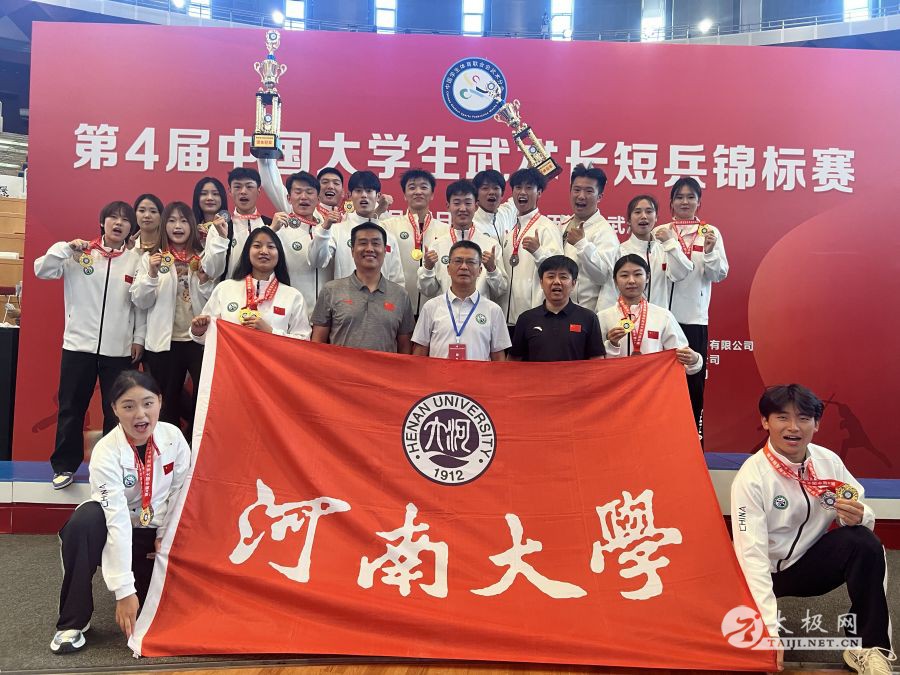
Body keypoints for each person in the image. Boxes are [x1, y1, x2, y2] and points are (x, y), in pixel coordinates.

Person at [731, 385, 894, 675]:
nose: (793, 427)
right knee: (728, 640)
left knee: (865, 543)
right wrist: (768, 630)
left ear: (816, 424)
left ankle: (867, 648)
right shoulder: (752, 478)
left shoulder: (828, 462)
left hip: (807, 566)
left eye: (804, 418)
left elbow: (857, 502)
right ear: (765, 422)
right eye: (782, 417)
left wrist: (857, 515)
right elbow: (751, 555)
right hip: (760, 573)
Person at [49, 370, 190, 654]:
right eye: (128, 406)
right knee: (86, 520)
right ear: (114, 409)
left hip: (153, 534)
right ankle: (72, 622)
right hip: (114, 531)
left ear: (160, 401)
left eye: (148, 403)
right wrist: (124, 590)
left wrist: (166, 538)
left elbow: (180, 493)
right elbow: (116, 519)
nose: (140, 414)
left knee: (162, 616)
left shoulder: (173, 437)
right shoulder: (106, 451)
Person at [34, 201, 146, 489]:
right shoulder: (80, 253)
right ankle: (64, 466)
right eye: (113, 218)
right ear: (102, 222)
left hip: (118, 350)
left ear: (131, 228)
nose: (118, 223)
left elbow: (139, 305)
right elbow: (42, 270)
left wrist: (138, 339)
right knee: (71, 408)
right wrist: (65, 248)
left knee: (116, 411)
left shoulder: (135, 260)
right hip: (78, 346)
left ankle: (111, 467)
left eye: (125, 220)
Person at [652, 177, 728, 436]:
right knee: (660, 386)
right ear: (671, 202)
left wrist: (709, 252)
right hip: (661, 320)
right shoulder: (660, 232)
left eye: (690, 197)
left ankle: (693, 442)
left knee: (692, 384)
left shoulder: (710, 232)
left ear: (699, 202)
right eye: (679, 197)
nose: (685, 202)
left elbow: (719, 274)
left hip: (694, 321)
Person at [132, 201, 212, 433]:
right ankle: (168, 447)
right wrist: (152, 274)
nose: (178, 226)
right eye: (172, 221)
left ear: (192, 226)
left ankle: (193, 445)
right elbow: (140, 301)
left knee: (203, 399)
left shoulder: (203, 257)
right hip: (164, 342)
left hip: (198, 340)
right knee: (166, 401)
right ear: (164, 226)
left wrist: (205, 281)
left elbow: (214, 300)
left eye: (184, 221)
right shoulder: (152, 258)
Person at [191, 227, 311, 342]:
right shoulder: (225, 288)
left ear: (279, 254)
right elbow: (208, 334)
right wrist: (199, 332)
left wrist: (271, 332)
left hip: (270, 357)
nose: (264, 251)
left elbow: (303, 341)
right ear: (247, 252)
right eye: (257, 246)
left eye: (271, 246)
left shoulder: (293, 296)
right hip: (231, 357)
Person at [311, 221, 415, 354]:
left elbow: (405, 347)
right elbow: (317, 343)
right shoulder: (331, 290)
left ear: (385, 251)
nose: (369, 249)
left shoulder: (400, 295)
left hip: (383, 368)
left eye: (376, 243)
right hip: (341, 368)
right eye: (363, 243)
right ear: (352, 251)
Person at [598, 255, 701, 373]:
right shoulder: (602, 317)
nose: (631, 281)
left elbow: (684, 362)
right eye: (624, 275)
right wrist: (612, 344)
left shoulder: (663, 316)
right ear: (615, 281)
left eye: (637, 274)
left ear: (647, 277)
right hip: (617, 382)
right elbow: (595, 363)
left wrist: (695, 360)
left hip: (654, 383)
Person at [412, 241, 509, 361]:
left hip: (478, 374)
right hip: (439, 373)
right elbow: (419, 353)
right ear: (448, 269)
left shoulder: (493, 310)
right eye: (458, 261)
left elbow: (499, 358)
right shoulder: (431, 307)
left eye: (471, 262)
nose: (464, 267)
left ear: (480, 270)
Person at [418, 180, 507, 303]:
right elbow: (427, 291)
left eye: (468, 203)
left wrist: (492, 270)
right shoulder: (436, 246)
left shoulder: (491, 245)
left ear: (476, 206)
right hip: (445, 312)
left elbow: (501, 290)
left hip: (480, 312)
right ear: (448, 206)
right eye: (457, 203)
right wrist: (427, 269)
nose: (462, 208)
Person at [497, 168, 563, 332]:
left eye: (528, 187)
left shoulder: (547, 227)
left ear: (539, 192)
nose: (522, 192)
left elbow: (558, 270)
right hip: (507, 320)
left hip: (535, 319)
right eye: (518, 187)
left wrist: (538, 251)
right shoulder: (511, 233)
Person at [509, 255, 605, 361]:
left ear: (573, 284)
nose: (557, 282)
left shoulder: (589, 318)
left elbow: (597, 360)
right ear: (541, 282)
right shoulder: (526, 319)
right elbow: (514, 361)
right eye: (551, 276)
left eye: (563, 277)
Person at [266, 171, 335, 315]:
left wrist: (324, 229)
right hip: (289, 311)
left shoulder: (330, 229)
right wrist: (271, 231)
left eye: (309, 192)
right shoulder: (279, 230)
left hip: (325, 315)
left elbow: (318, 261)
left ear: (318, 198)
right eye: (298, 192)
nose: (304, 197)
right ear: (289, 198)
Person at [382, 169, 448, 315]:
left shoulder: (446, 230)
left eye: (424, 187)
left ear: (432, 194)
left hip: (434, 309)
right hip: (397, 307)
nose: (418, 192)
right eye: (412, 187)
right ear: (405, 195)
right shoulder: (389, 226)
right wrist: (378, 210)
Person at [323, 170, 405, 286]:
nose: (364, 195)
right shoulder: (336, 231)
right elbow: (320, 261)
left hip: (382, 297)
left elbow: (397, 280)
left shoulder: (389, 237)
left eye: (369, 191)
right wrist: (324, 229)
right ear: (350, 196)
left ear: (378, 196)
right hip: (345, 296)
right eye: (358, 191)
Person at [560, 164, 619, 313]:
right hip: (558, 309)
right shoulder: (563, 225)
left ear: (599, 196)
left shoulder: (605, 232)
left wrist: (582, 245)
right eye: (577, 190)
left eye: (589, 191)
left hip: (586, 314)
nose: (581, 196)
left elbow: (603, 276)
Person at [617, 195, 691, 308]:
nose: (643, 216)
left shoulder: (666, 249)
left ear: (656, 218)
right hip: (626, 317)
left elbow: (681, 274)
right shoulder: (619, 252)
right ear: (629, 220)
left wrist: (670, 243)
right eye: (637, 212)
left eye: (649, 211)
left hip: (659, 316)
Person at [201, 167, 272, 282]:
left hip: (266, 290)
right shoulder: (220, 226)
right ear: (230, 191)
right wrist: (221, 238)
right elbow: (212, 271)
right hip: (231, 291)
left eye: (249, 186)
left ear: (259, 190)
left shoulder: (271, 225)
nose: (243, 191)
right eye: (237, 187)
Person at [472, 169, 516, 244]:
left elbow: (521, 196)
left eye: (496, 188)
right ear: (476, 194)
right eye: (485, 188)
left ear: (502, 194)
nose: (491, 192)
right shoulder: (471, 223)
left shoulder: (506, 213)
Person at [190, 176, 229, 242]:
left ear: (222, 198)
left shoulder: (232, 228)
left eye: (215, 194)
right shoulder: (190, 229)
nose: (210, 198)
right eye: (204, 194)